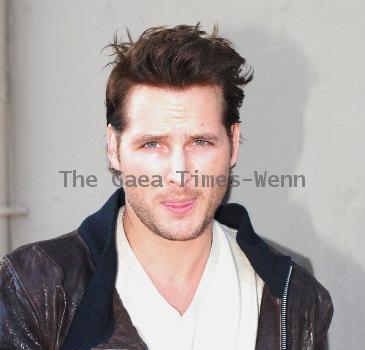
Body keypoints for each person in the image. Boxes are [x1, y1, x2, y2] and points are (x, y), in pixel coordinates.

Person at [0, 24, 333, 350]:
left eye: (200, 142)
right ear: (114, 148)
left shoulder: (295, 294)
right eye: (152, 144)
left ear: (233, 142)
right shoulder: (34, 289)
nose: (179, 174)